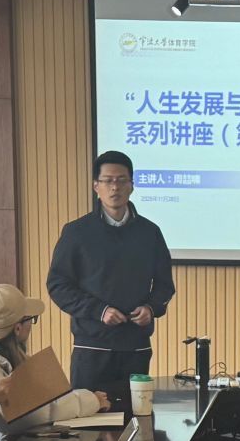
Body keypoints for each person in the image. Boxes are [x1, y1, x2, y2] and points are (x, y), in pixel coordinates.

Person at [47, 150, 175, 404]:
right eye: (107, 181)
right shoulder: (77, 232)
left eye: (121, 180)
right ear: (96, 186)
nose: (114, 187)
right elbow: (58, 285)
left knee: (135, 415)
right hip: (92, 347)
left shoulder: (149, 232)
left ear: (132, 186)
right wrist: (99, 311)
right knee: (88, 417)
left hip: (135, 346)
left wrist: (151, 308)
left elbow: (165, 285)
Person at [0, 283, 109, 441]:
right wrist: (89, 401)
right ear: (17, 328)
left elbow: (38, 398)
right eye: (30, 319)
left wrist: (83, 398)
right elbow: (17, 416)